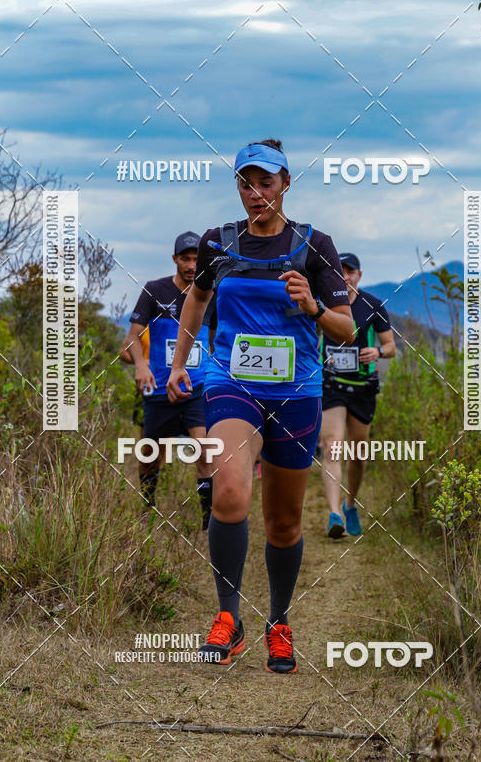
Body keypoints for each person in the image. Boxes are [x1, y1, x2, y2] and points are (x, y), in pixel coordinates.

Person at [166, 138, 355, 673]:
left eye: (265, 182)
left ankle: (278, 622)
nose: (255, 193)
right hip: (232, 382)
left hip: (296, 392)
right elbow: (198, 300)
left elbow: (346, 326)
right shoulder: (218, 244)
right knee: (228, 491)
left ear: (286, 184)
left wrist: (313, 306)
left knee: (284, 522)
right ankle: (229, 618)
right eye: (246, 183)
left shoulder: (314, 245)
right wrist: (182, 364)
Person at [122, 232, 216, 526]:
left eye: (196, 259)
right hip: (159, 388)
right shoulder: (155, 291)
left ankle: (207, 521)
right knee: (150, 453)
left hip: (197, 387)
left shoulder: (212, 293)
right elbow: (131, 338)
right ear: (175, 259)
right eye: (185, 258)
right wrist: (141, 364)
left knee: (204, 449)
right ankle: (146, 509)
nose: (191, 265)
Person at [319, 252, 396, 538]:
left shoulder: (373, 306)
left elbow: (391, 347)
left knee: (358, 454)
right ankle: (334, 514)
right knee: (332, 446)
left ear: (359, 276)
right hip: (332, 385)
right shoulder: (322, 304)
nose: (345, 276)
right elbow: (311, 336)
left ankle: (351, 504)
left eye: (350, 271)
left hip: (363, 388)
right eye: (340, 271)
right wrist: (318, 359)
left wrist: (377, 352)